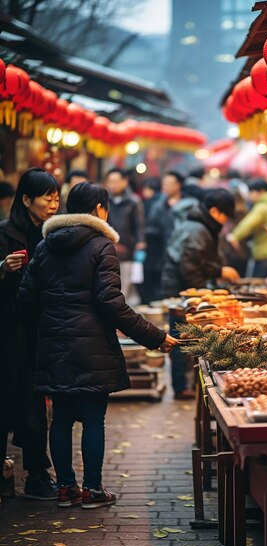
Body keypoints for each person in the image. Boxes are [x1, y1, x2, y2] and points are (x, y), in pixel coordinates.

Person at [18, 182, 177, 509]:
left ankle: (65, 488)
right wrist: (155, 337)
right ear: (99, 210)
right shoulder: (101, 246)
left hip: (52, 347)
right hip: (91, 348)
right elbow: (112, 303)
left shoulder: (44, 246)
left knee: (60, 418)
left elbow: (25, 300)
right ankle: (92, 490)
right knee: (93, 418)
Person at [0, 168, 60, 502]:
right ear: (26, 199)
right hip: (9, 333)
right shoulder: (5, 233)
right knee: (6, 400)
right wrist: (3, 269)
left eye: (56, 196)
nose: (53, 203)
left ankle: (37, 474)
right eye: (46, 196)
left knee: (37, 405)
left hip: (41, 332)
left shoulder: (54, 235)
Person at [161, 188, 240, 399]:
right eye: (225, 215)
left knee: (182, 336)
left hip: (184, 290)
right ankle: (181, 386)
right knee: (180, 338)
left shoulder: (201, 225)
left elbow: (199, 261)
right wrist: (204, 295)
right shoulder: (198, 229)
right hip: (182, 292)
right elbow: (190, 266)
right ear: (215, 211)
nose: (225, 221)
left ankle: (184, 383)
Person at [146, 171, 199, 298]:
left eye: (170, 183)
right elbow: (151, 228)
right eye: (164, 184)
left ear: (179, 185)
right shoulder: (158, 206)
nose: (166, 187)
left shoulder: (190, 205)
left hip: (186, 255)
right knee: (167, 292)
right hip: (163, 256)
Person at [104, 167, 145, 303]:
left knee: (125, 284)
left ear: (124, 182)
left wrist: (140, 243)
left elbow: (139, 224)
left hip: (127, 248)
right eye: (110, 181)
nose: (113, 184)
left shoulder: (133, 201)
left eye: (116, 181)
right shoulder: (104, 200)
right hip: (107, 248)